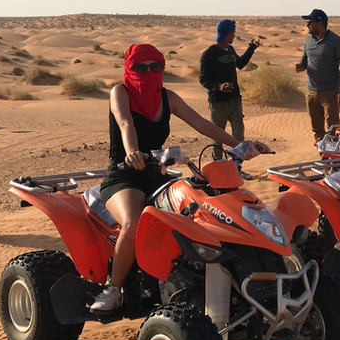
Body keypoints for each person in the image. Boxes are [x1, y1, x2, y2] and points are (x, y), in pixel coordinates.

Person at [92, 43, 270, 313]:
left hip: (158, 174)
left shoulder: (168, 97)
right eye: (140, 67)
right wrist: (133, 153)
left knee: (198, 210)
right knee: (133, 221)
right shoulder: (121, 92)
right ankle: (113, 288)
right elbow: (125, 123)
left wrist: (239, 145)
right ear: (129, 68)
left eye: (155, 66)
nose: (148, 72)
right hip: (124, 175)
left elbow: (202, 124)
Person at [199, 19, 261, 177]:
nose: (234, 35)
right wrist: (219, 87)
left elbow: (240, 64)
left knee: (239, 136)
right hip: (218, 103)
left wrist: (251, 48)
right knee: (217, 137)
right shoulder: (209, 54)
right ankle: (218, 170)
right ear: (227, 33)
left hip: (235, 101)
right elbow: (203, 79)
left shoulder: (231, 49)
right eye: (233, 32)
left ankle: (236, 169)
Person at [294, 9, 340, 143]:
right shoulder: (308, 40)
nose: (308, 25)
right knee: (317, 128)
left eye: (310, 22)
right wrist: (301, 66)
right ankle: (324, 157)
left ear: (320, 24)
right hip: (311, 92)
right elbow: (305, 59)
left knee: (333, 128)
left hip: (330, 92)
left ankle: (336, 159)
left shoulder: (336, 41)